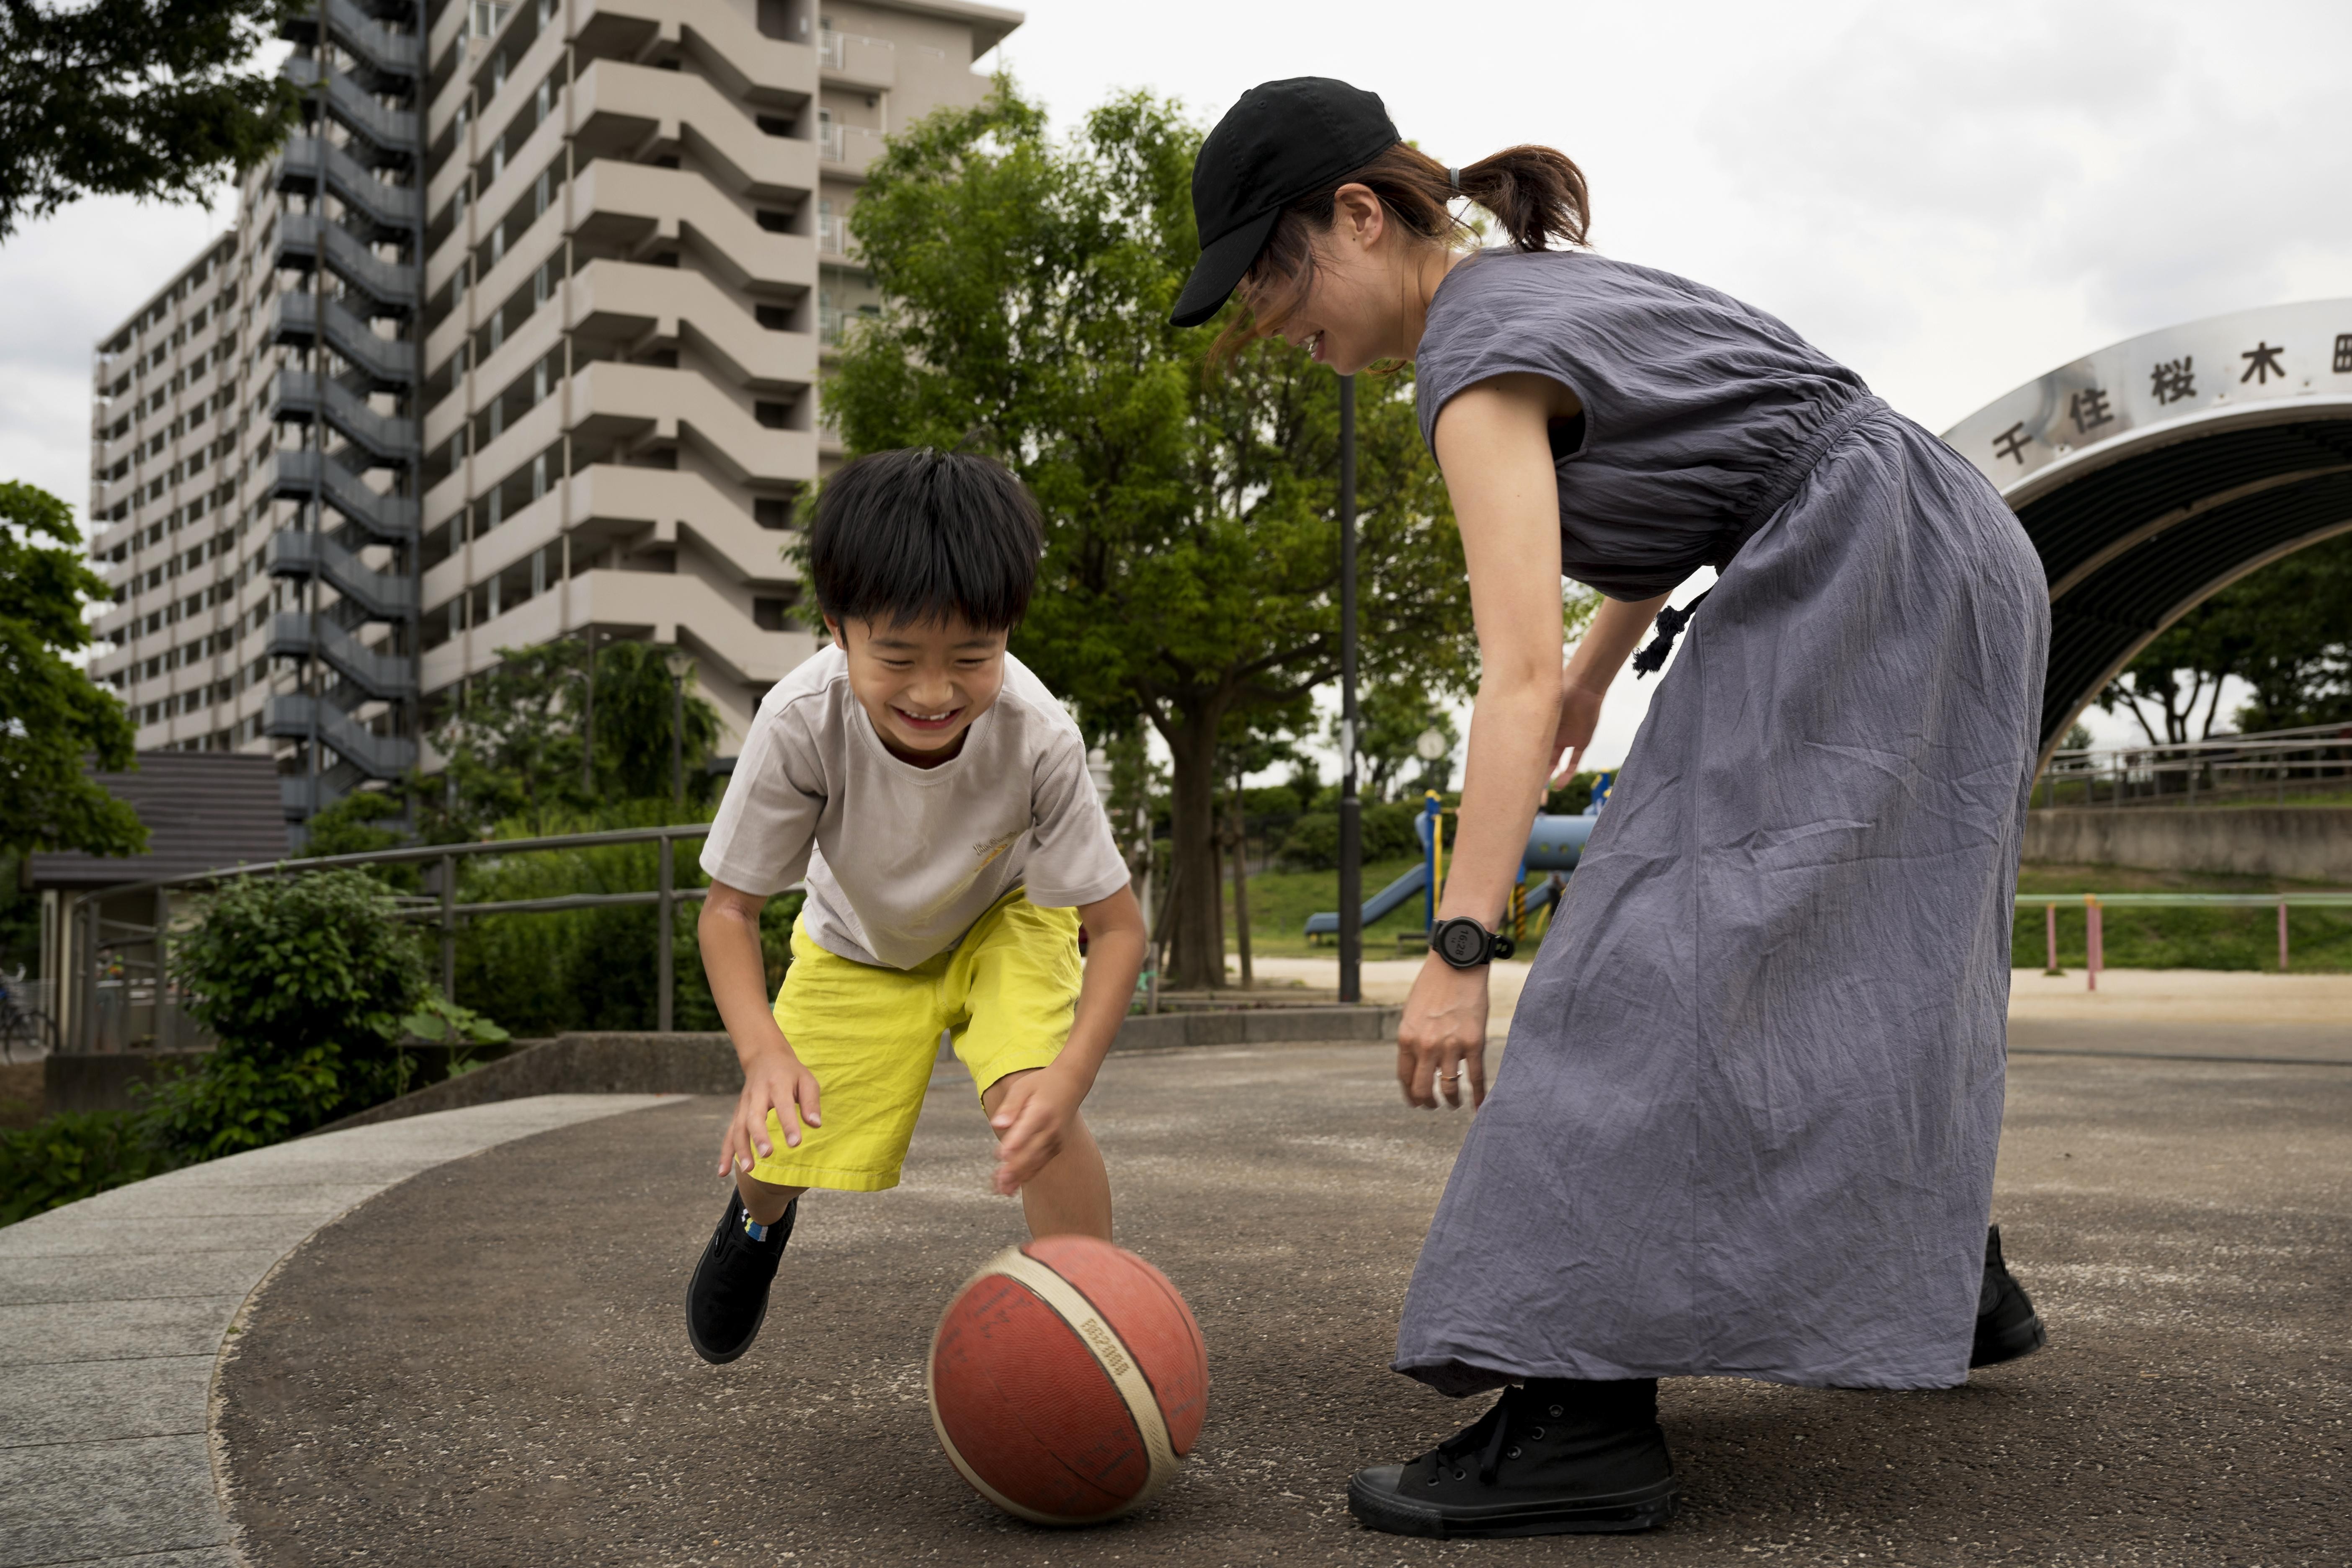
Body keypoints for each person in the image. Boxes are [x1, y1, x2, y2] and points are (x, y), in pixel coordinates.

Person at [1173, 79, 2049, 1538]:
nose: (1264, 316)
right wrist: (1595, 673)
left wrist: (1459, 949)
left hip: (1857, 554)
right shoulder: (1517, 294)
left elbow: (1501, 678)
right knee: (1858, 950)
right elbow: (1716, 450)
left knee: (1639, 958)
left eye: (1269, 270)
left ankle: (1576, 1412)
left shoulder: (1470, 354)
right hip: (1938, 542)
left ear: (1358, 214)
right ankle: (1941, 1275)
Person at [684, 447, 1147, 1364]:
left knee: (1032, 1111)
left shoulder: (1040, 731)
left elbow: (1118, 928)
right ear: (837, 629)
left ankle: (1095, 1325)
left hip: (1006, 917)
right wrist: (762, 1054)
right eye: (896, 657)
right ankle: (756, 1224)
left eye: (972, 658)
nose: (934, 692)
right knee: (780, 1150)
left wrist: (1067, 1082)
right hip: (858, 939)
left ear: (1008, 632)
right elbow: (728, 913)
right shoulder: (799, 721)